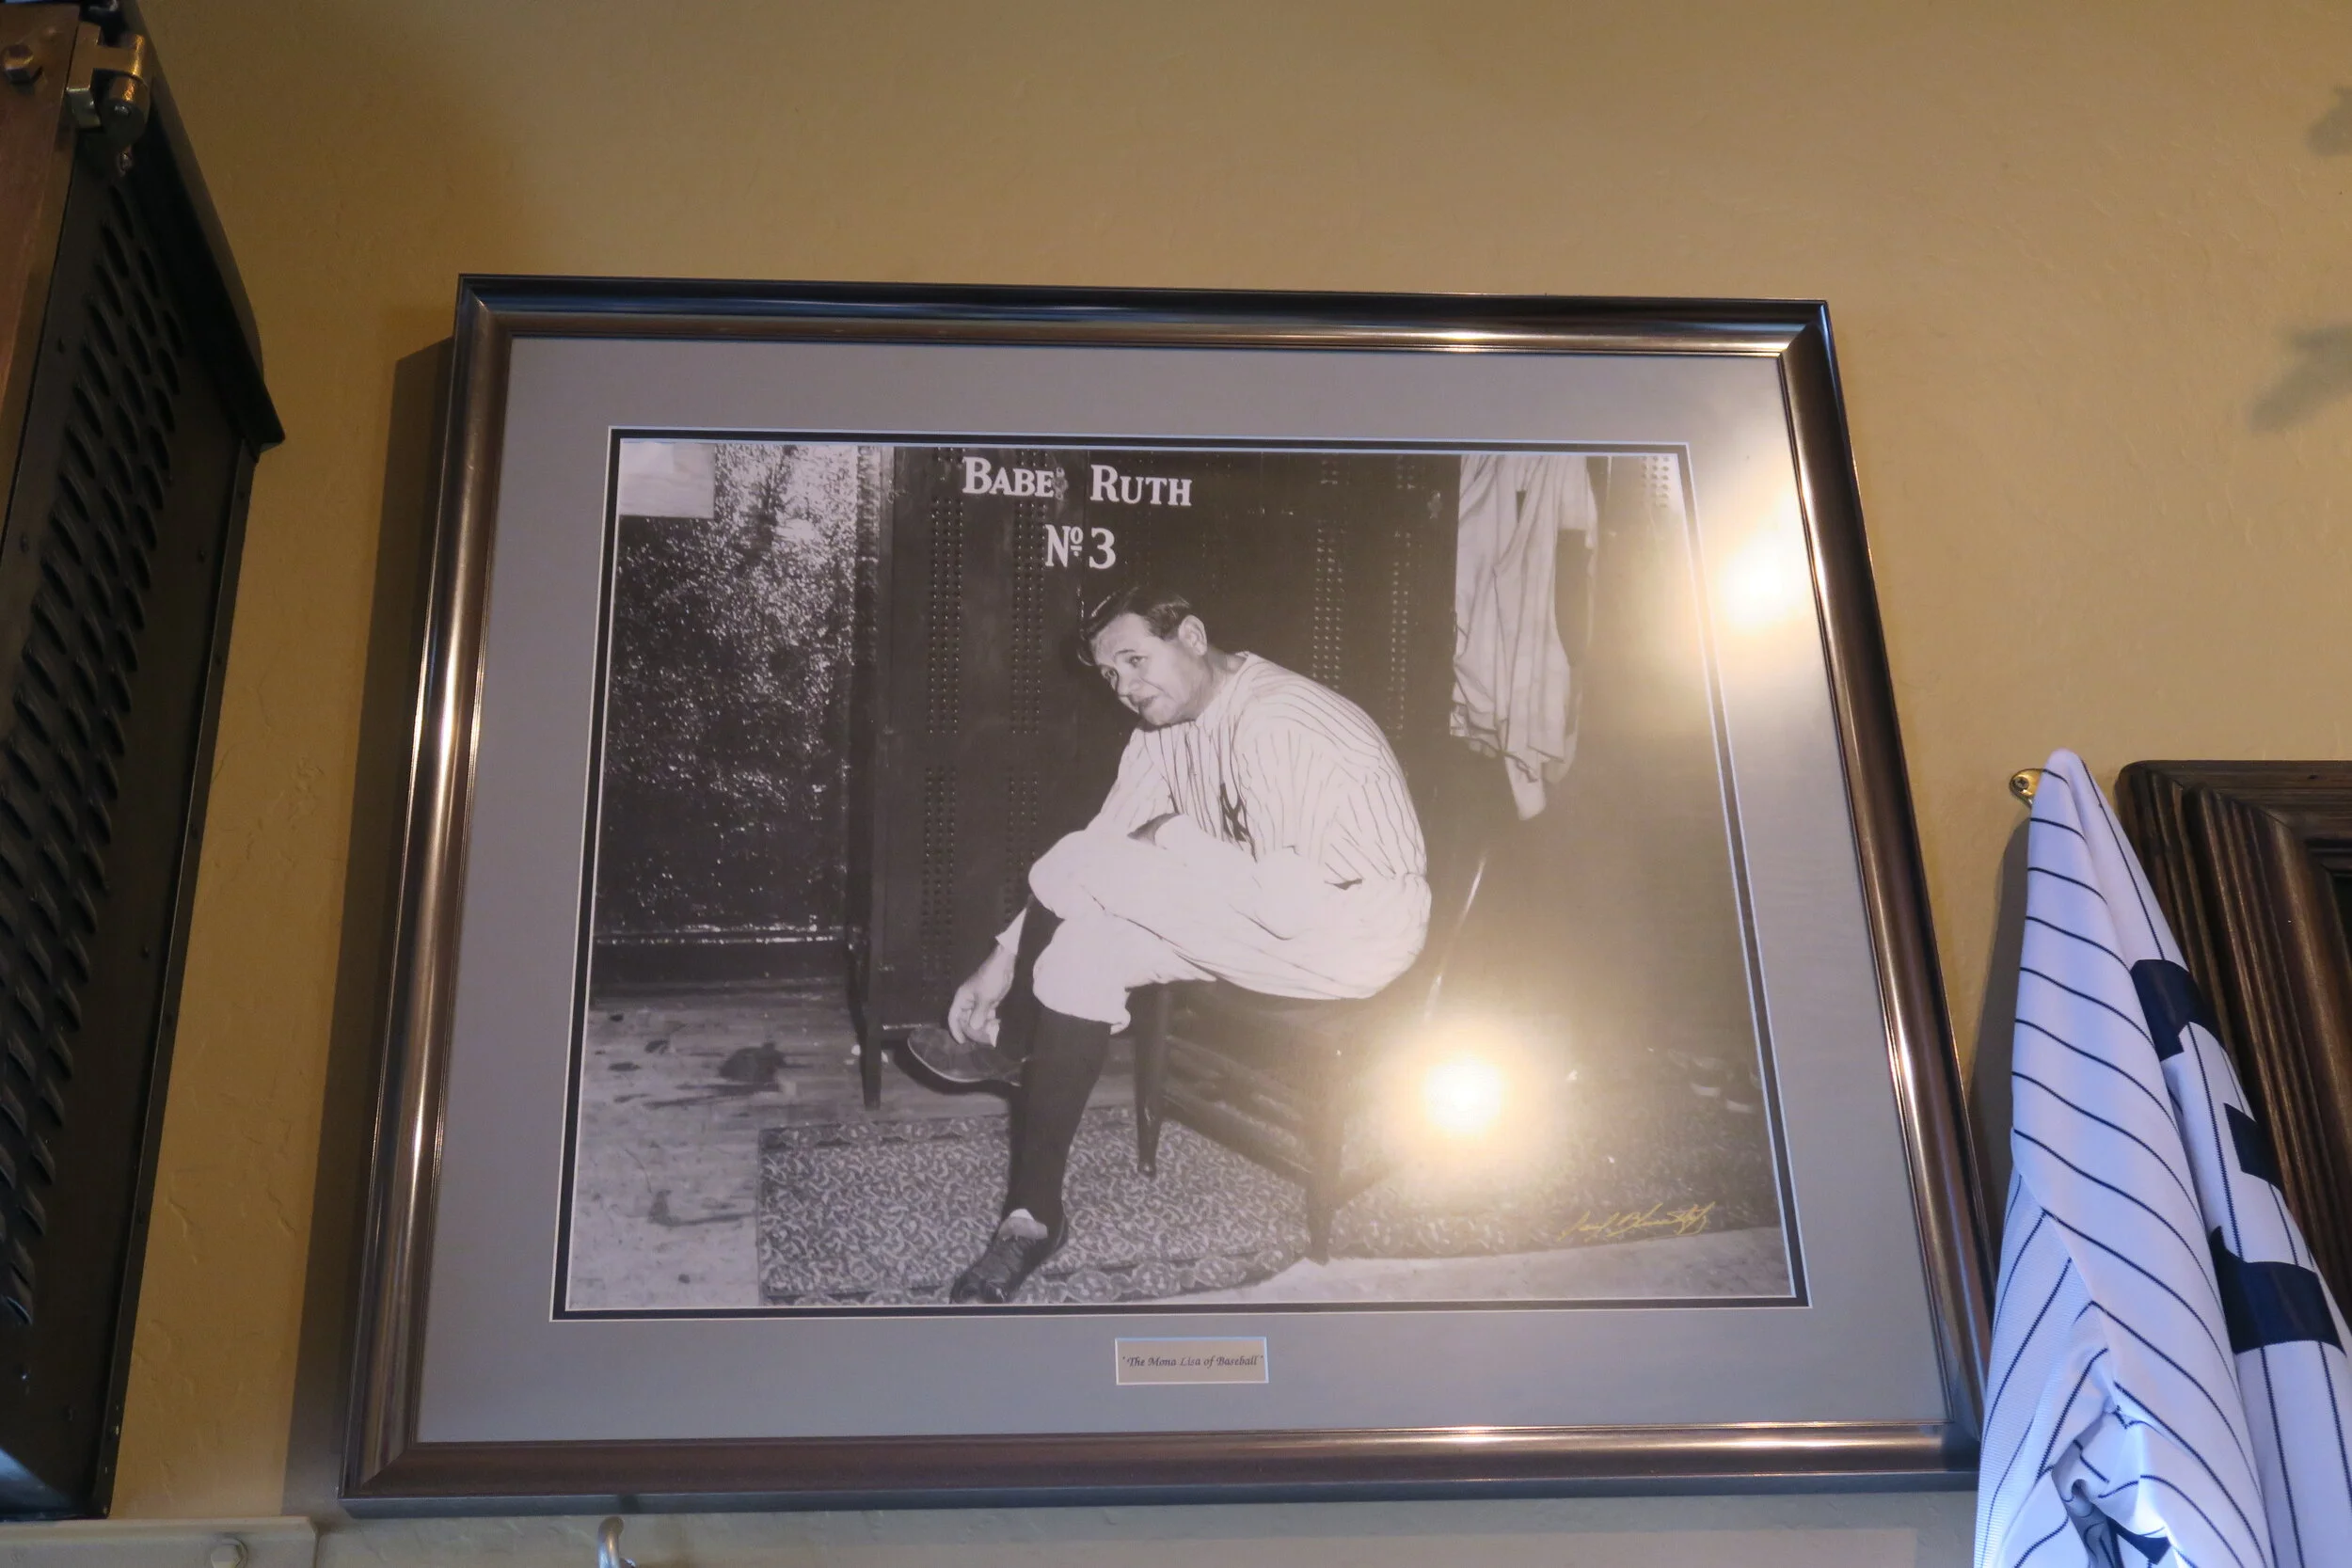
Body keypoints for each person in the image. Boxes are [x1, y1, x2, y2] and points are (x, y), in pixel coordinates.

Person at [903, 583, 1430, 1303]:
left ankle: (1016, 1040)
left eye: (1134, 658)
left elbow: (1290, 900)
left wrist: (1171, 835)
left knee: (1095, 866)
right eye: (1111, 675)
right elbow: (1100, 846)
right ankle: (1032, 1217)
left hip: (1354, 929)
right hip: (1261, 916)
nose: (1126, 686)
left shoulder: (1278, 719)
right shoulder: (1160, 728)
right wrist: (1002, 955)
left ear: (1190, 635)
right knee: (1076, 955)